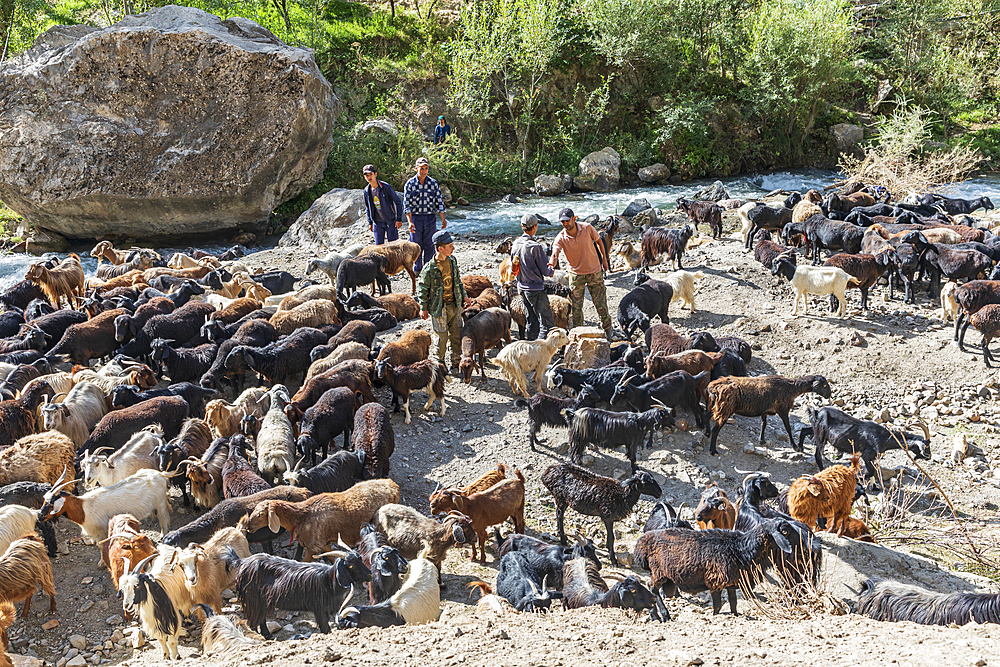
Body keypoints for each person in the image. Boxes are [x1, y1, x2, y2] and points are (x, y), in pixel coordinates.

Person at [549, 207, 623, 341]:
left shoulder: (587, 228)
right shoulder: (561, 237)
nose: (565, 224)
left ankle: (609, 331)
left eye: (567, 221)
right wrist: (550, 264)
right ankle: (579, 334)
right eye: (562, 222)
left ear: (574, 218)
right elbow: (555, 253)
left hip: (595, 271)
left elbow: (600, 241)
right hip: (576, 275)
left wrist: (604, 259)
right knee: (576, 308)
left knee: (601, 303)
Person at [418, 230, 471, 371]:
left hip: (455, 304)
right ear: (440, 248)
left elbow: (458, 281)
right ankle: (440, 364)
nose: (453, 248)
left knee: (457, 334)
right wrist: (423, 307)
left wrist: (464, 296)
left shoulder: (453, 261)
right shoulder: (429, 268)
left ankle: (456, 362)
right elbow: (422, 289)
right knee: (441, 338)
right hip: (438, 308)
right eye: (450, 246)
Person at [511, 218, 554, 341]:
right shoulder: (536, 246)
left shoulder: (515, 243)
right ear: (535, 226)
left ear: (521, 226)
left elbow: (512, 264)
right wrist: (551, 271)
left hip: (521, 288)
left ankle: (531, 348)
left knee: (531, 321)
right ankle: (542, 351)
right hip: (535, 289)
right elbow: (546, 271)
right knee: (547, 323)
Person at [403, 156, 446, 273]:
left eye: (426, 168)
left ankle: (428, 269)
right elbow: (407, 205)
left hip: (430, 218)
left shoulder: (433, 183)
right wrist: (410, 221)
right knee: (416, 246)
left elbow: (439, 202)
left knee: (430, 244)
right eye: (421, 168)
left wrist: (443, 219)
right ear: (416, 168)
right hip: (416, 218)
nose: (424, 171)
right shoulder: (410, 184)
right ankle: (417, 269)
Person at [361, 164, 403, 245]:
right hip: (377, 223)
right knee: (379, 248)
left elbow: (398, 202)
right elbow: (367, 206)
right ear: (364, 177)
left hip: (390, 221)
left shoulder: (385, 187)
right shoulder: (366, 190)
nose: (369, 177)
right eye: (367, 175)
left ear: (375, 174)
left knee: (393, 247)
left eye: (371, 174)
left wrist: (398, 219)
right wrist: (370, 222)